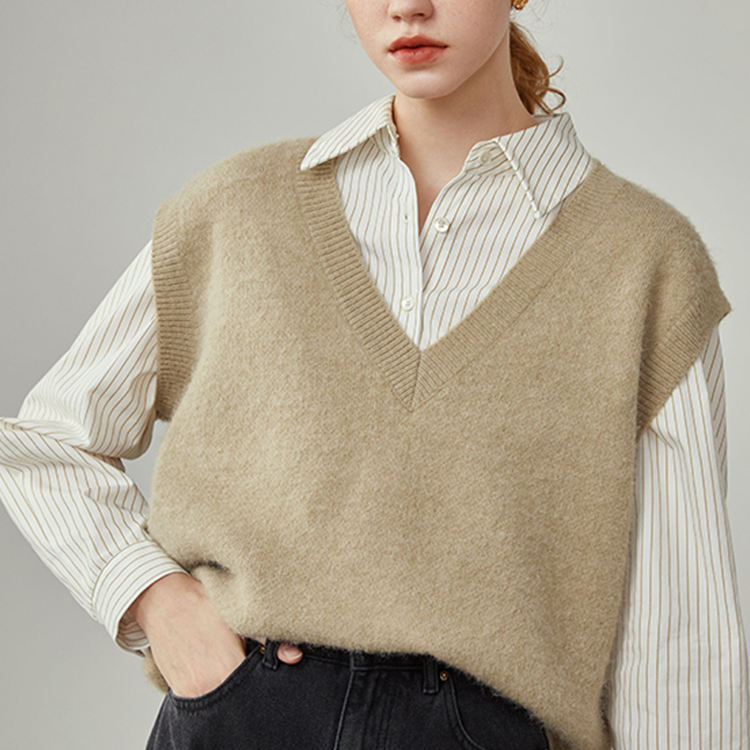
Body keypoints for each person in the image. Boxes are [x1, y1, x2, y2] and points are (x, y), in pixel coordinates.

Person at [1, 0, 748, 748]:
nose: (407, 6)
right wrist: (162, 604)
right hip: (245, 714)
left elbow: (679, 637)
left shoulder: (644, 261)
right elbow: (47, 444)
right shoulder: (239, 212)